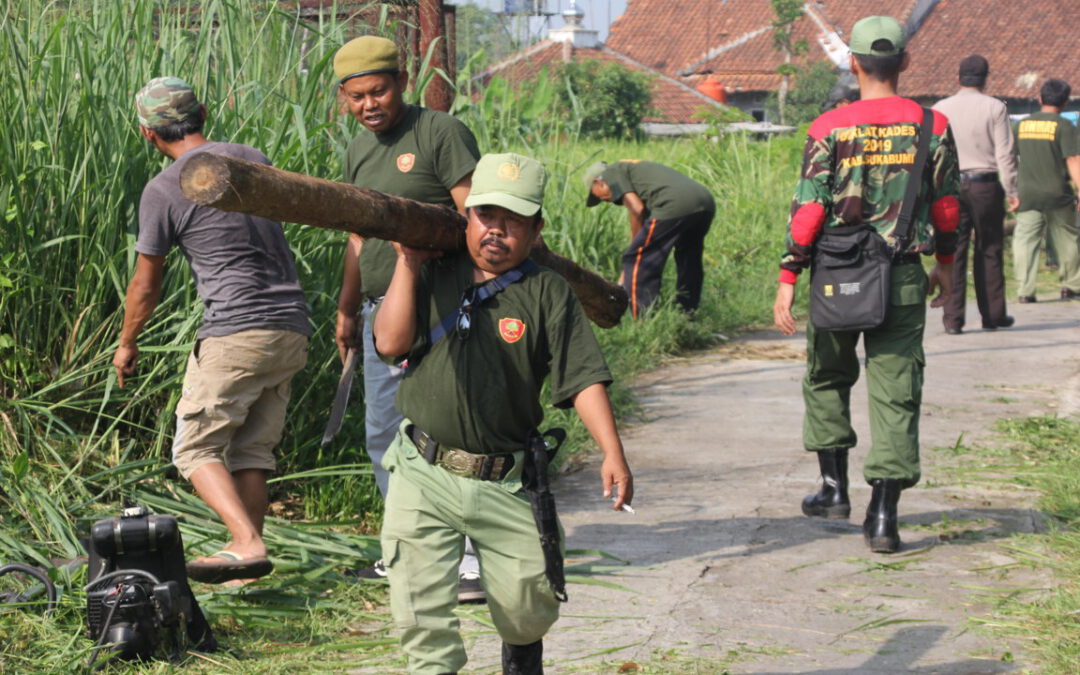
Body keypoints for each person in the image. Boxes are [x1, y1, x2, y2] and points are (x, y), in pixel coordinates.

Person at [373, 152, 634, 674]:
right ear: (466, 215)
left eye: (514, 220)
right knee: (421, 614)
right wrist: (408, 261)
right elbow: (389, 344)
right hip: (424, 469)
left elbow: (581, 378)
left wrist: (613, 452)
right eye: (486, 215)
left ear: (536, 229)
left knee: (527, 607)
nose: (497, 230)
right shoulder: (432, 271)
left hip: (507, 478)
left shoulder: (547, 292)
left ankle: (520, 652)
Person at [772, 16, 960, 554]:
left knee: (827, 375)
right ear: (904, 63)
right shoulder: (934, 124)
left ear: (852, 63)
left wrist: (789, 276)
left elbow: (809, 211)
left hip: (836, 274)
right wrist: (944, 265)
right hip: (901, 276)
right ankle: (883, 515)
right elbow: (947, 206)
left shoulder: (827, 127)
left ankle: (833, 489)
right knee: (896, 389)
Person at [113, 77, 310, 583]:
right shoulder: (251, 156)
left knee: (194, 449)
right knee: (251, 452)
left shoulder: (163, 189)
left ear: (147, 133)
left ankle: (245, 542)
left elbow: (145, 283)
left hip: (235, 330)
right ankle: (248, 567)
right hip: (291, 328)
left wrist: (127, 341)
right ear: (202, 113)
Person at [330, 35, 486, 599]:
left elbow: (475, 219)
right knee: (383, 433)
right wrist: (347, 310)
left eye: (379, 91)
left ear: (401, 83)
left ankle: (467, 560)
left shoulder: (439, 133)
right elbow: (356, 238)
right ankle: (407, 550)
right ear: (344, 99)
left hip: (440, 308)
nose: (370, 104)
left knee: (443, 427)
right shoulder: (358, 152)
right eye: (357, 97)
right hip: (379, 313)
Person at [933, 55, 1019, 333]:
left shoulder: (941, 108)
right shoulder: (995, 107)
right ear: (986, 78)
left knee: (953, 251)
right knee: (990, 249)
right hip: (986, 185)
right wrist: (1011, 189)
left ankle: (953, 319)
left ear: (958, 78)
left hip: (950, 186)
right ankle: (993, 315)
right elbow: (1004, 153)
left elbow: (934, 154)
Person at [583, 159, 715, 318]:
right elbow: (644, 217)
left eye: (601, 197)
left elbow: (636, 209)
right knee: (688, 258)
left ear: (599, 183)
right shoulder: (637, 175)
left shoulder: (611, 172)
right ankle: (687, 314)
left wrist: (635, 249)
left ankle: (642, 318)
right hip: (704, 202)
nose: (607, 201)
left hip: (674, 203)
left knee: (637, 258)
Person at [1012, 78, 1080, 302]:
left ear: (1040, 98)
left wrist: (1011, 191)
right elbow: (1072, 159)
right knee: (1067, 239)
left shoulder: (1021, 125)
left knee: (1025, 240)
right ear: (1064, 103)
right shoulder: (1064, 126)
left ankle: (1024, 291)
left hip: (1027, 193)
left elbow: (1010, 158)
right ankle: (1070, 285)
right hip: (1057, 193)